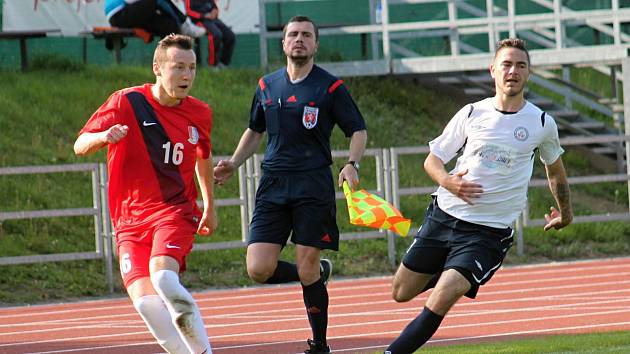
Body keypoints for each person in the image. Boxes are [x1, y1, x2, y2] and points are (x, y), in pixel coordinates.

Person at [385, 38, 573, 354]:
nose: (513, 71)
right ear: (493, 71)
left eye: (521, 65)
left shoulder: (541, 123)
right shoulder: (472, 112)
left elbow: (556, 173)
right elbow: (432, 160)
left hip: (488, 233)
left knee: (442, 296)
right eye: (507, 64)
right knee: (401, 292)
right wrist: (448, 181)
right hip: (444, 217)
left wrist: (566, 213)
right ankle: (447, 269)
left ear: (529, 74)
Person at [213, 15, 367, 354]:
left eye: (306, 35)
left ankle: (319, 345)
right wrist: (233, 163)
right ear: (283, 43)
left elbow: (357, 129)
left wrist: (351, 164)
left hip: (313, 184)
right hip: (273, 183)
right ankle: (313, 273)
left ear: (315, 44)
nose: (299, 39)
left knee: (306, 264)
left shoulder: (330, 87)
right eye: (293, 35)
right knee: (258, 268)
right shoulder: (267, 86)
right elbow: (255, 129)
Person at [74, 34, 215, 354]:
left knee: (164, 279)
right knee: (147, 305)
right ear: (157, 67)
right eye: (178, 67)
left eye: (192, 68)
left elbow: (202, 156)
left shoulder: (200, 113)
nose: (186, 76)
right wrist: (103, 136)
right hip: (128, 219)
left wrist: (209, 204)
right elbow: (79, 144)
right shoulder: (127, 102)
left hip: (174, 211)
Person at [105, 0, 206, 41]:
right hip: (119, 14)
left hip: (132, 14)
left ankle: (166, 61)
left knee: (169, 25)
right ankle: (184, 24)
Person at [186, 0, 236, 67]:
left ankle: (223, 64)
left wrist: (215, 11)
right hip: (200, 20)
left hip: (214, 20)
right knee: (216, 35)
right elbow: (189, 12)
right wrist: (204, 16)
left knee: (230, 36)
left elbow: (214, 7)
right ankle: (213, 64)